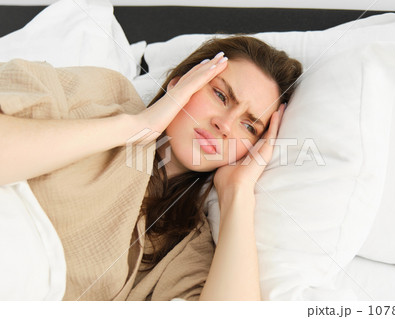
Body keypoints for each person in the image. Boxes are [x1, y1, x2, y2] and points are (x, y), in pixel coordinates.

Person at [0, 35, 302, 300]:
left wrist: (237, 193)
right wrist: (137, 127)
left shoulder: (184, 243)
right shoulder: (105, 95)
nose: (224, 125)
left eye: (249, 126)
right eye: (220, 95)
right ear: (180, 83)